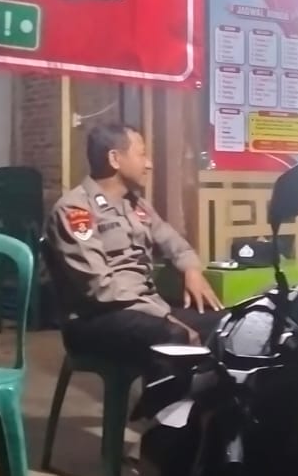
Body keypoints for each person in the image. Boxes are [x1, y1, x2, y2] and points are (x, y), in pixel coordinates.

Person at [45, 123, 224, 361]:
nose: (148, 164)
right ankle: (166, 388)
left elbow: (174, 244)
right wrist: (164, 315)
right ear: (115, 159)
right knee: (173, 336)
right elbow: (100, 288)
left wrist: (191, 270)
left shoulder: (137, 205)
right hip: (95, 318)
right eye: (141, 155)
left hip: (147, 308)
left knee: (227, 325)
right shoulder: (75, 210)